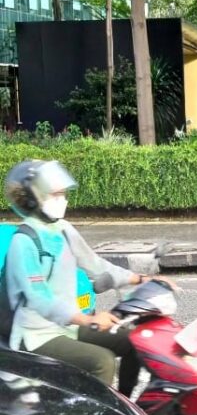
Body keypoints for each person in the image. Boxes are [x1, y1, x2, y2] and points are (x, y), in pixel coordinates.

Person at [3, 159, 174, 395]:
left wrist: (140, 279)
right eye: (55, 193)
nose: (62, 198)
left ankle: (127, 410)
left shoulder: (62, 229)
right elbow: (39, 298)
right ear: (33, 199)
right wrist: (87, 320)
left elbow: (95, 265)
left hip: (66, 327)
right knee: (102, 362)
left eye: (63, 193)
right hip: (36, 335)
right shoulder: (23, 241)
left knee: (137, 341)